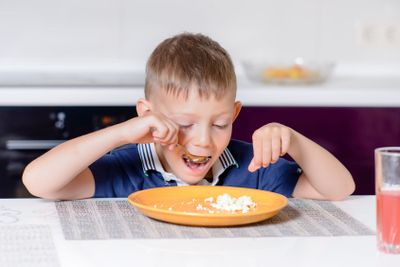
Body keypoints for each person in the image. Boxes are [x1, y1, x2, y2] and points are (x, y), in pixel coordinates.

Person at [22, 33, 355, 201]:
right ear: (147, 116)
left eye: (220, 123)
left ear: (235, 114)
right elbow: (38, 183)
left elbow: (339, 190)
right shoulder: (128, 168)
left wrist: (293, 141)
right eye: (183, 124)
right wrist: (121, 133)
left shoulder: (251, 168)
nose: (203, 140)